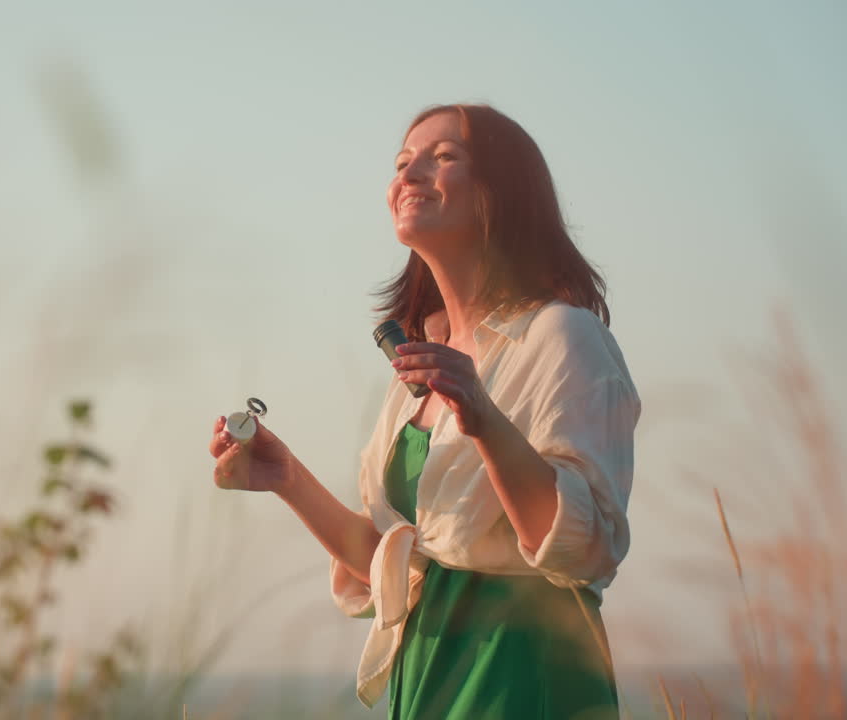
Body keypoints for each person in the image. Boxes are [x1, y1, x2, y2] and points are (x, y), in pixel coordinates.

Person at [208, 103, 640, 719]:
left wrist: (483, 417)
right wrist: (285, 478)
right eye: (402, 163)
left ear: (501, 191)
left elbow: (583, 550)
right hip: (427, 664)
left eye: (442, 158)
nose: (408, 175)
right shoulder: (423, 358)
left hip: (522, 667)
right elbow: (393, 555)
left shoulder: (563, 337)